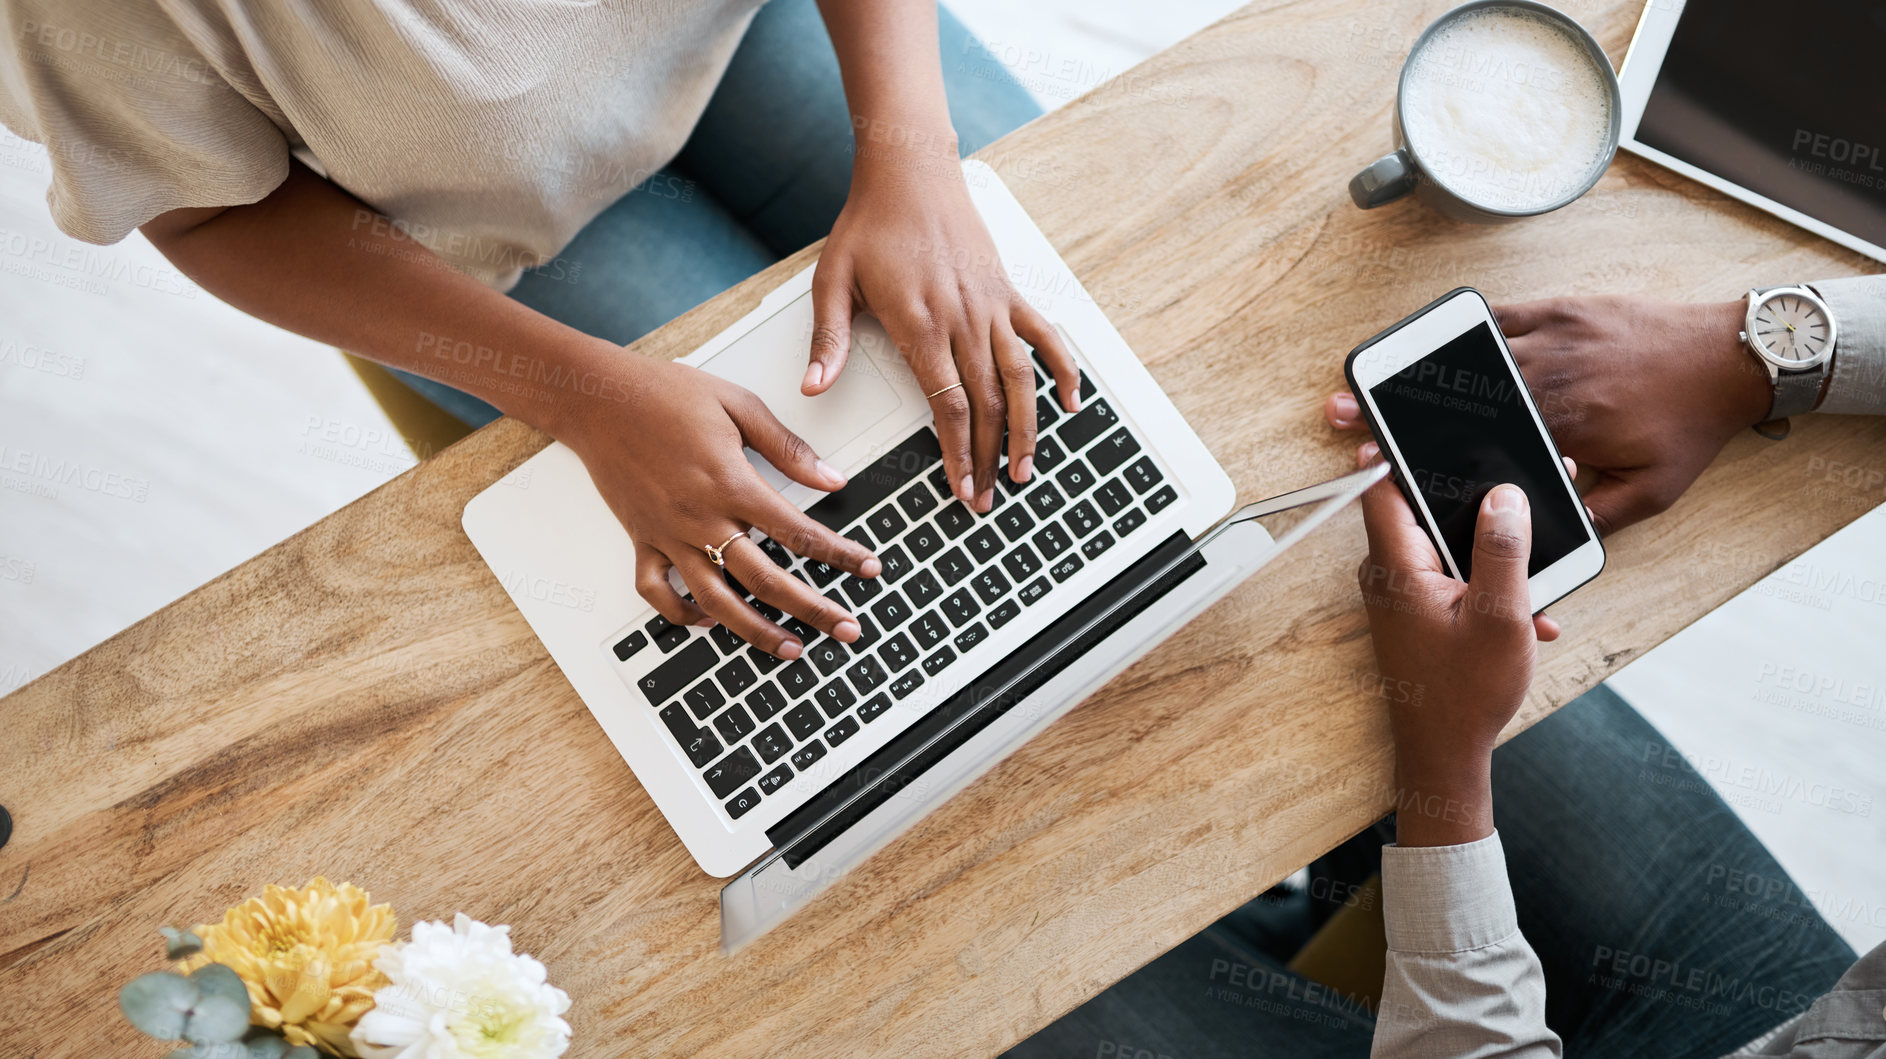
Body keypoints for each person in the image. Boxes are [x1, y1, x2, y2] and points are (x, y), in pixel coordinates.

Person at [0, 0, 1079, 662]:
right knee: (860, 593)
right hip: (501, 236)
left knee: (1085, 366)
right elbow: (204, 208)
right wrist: (581, 397)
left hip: (762, 21)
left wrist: (917, 162)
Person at [1007, 281, 1886, 1057]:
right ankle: (1310, 916)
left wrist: (1447, 770)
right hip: (1801, 1005)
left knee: (1014, 978)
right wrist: (1770, 351)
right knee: (1331, 662)